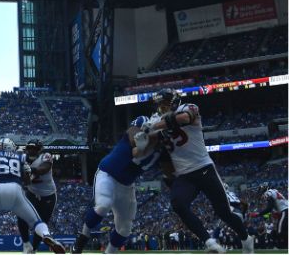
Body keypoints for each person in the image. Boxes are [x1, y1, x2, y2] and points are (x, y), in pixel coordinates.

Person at [142, 90, 254, 253]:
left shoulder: (188, 108)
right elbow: (154, 147)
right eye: (159, 106)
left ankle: (246, 238)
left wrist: (154, 126)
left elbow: (184, 118)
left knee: (224, 213)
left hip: (204, 168)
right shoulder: (157, 120)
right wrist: (142, 137)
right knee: (178, 204)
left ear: (174, 102)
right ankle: (210, 242)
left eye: (164, 104)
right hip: (184, 175)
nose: (161, 109)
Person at [71, 116, 164, 254]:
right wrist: (148, 135)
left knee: (125, 228)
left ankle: (109, 252)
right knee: (103, 205)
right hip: (108, 174)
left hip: (126, 185)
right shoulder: (140, 125)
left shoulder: (161, 151)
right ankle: (82, 239)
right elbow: (134, 139)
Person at [17, 140, 59, 254]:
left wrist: (31, 169)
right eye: (29, 147)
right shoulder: (23, 159)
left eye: (34, 148)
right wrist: (23, 171)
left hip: (48, 195)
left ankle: (34, 249)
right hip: (32, 193)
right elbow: (26, 182)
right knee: (21, 216)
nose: (31, 150)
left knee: (42, 223)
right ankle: (26, 244)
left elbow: (44, 169)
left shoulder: (46, 156)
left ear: (39, 149)